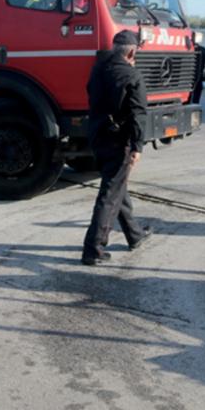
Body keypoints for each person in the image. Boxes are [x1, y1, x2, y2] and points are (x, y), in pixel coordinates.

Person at [82, 30, 153, 265]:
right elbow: (138, 114)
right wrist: (137, 147)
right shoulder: (132, 76)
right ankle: (93, 248)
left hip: (97, 136)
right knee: (109, 195)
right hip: (117, 141)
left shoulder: (97, 70)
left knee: (116, 186)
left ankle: (134, 235)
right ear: (131, 52)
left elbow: (91, 95)